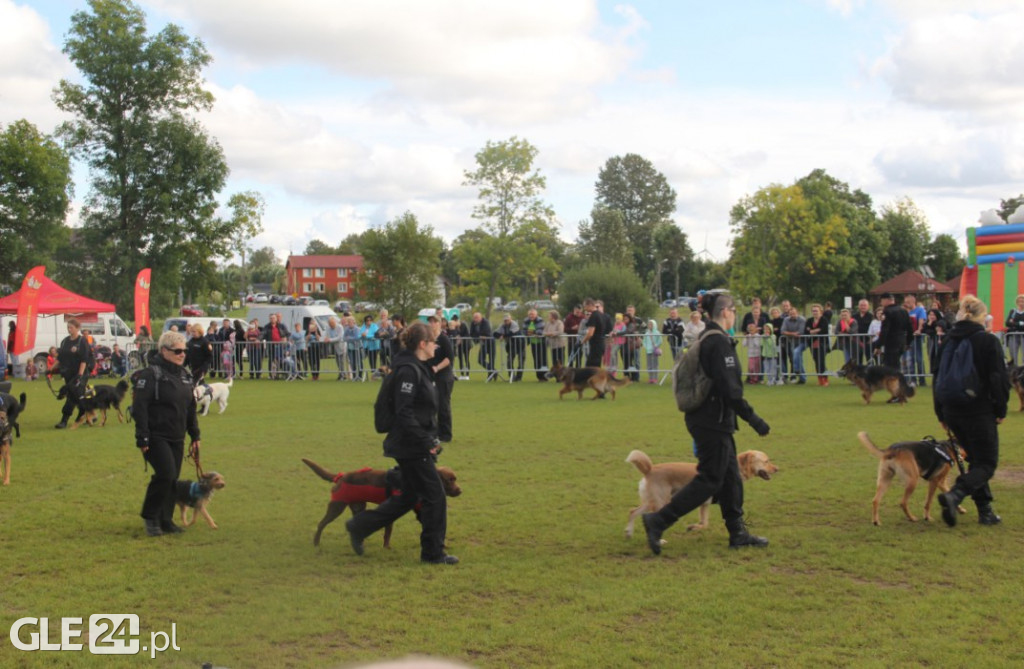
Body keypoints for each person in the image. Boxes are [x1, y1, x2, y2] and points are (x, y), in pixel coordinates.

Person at [641, 292, 771, 555]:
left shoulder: (708, 338)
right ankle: (658, 521)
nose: (735, 314)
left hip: (710, 419)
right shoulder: (718, 343)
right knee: (710, 480)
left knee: (731, 478)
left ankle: (738, 533)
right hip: (712, 421)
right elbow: (730, 390)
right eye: (733, 310)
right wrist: (754, 419)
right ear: (725, 312)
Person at [346, 321, 458, 565]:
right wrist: (426, 440)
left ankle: (358, 526)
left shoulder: (417, 367)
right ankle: (432, 553)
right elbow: (404, 412)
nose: (436, 346)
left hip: (412, 443)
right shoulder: (408, 370)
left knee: (408, 497)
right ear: (422, 344)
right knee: (435, 496)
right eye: (433, 342)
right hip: (411, 446)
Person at [934, 295, 1009, 527]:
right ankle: (955, 494)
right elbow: (998, 378)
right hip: (979, 409)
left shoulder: (947, 341)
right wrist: (1000, 408)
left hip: (952, 409)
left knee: (976, 460)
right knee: (987, 463)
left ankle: (985, 512)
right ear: (981, 316)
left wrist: (941, 413)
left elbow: (937, 377)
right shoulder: (987, 341)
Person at [132, 330, 200, 537]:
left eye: (184, 351)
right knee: (165, 474)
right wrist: (142, 436)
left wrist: (195, 436)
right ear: (164, 350)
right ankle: (150, 517)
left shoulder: (184, 376)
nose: (182, 354)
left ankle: (166, 519)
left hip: (177, 435)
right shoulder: (150, 375)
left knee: (173, 478)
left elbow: (190, 408)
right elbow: (140, 407)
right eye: (177, 351)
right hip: (155, 435)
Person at [49, 318, 95, 429]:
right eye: (68, 327)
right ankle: (91, 413)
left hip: (81, 372)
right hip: (68, 373)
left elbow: (84, 359)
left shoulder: (82, 341)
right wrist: (50, 369)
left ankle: (64, 420)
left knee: (72, 394)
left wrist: (80, 375)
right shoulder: (65, 341)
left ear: (77, 328)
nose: (69, 329)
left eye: (71, 327)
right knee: (84, 393)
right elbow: (60, 358)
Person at [427, 316, 455, 443]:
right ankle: (435, 432)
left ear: (440, 324)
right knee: (432, 405)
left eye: (434, 322)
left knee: (443, 405)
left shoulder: (443, 339)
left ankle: (446, 434)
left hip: (444, 376)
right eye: (430, 322)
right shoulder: (428, 339)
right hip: (431, 376)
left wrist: (437, 368)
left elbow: (449, 358)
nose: (432, 324)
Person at [874, 292, 911, 370]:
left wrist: (878, 345)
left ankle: (894, 381)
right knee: (897, 364)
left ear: (886, 300)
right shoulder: (903, 310)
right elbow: (910, 327)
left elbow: (884, 330)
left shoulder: (887, 311)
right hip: (902, 342)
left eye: (881, 301)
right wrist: (908, 342)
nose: (881, 303)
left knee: (890, 366)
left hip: (892, 342)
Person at [805, 304, 830, 386]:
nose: (814, 312)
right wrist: (816, 330)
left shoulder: (824, 320)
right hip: (812, 344)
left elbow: (824, 330)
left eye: (816, 311)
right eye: (813, 311)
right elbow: (806, 331)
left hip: (822, 343)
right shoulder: (809, 320)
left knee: (821, 361)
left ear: (821, 311)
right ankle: (819, 379)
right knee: (816, 361)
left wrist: (812, 331)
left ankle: (825, 379)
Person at [781, 305, 807, 384]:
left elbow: (801, 332)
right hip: (792, 342)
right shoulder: (786, 320)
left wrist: (788, 334)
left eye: (794, 313)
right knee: (798, 358)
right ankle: (802, 378)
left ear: (797, 313)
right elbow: (782, 331)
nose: (792, 315)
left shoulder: (802, 320)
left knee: (796, 353)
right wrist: (793, 334)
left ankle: (796, 370)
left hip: (802, 342)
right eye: (791, 314)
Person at [581, 298, 610, 368]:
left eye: (585, 306)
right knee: (595, 365)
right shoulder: (601, 315)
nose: (584, 309)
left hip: (596, 345)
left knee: (590, 367)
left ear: (590, 305)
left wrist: (582, 342)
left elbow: (590, 333)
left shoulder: (593, 316)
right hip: (601, 343)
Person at [495, 314, 523, 381]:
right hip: (511, 345)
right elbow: (495, 333)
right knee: (509, 360)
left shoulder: (514, 324)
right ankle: (512, 376)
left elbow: (512, 333)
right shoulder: (502, 325)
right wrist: (500, 336)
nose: (506, 321)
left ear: (510, 319)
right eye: (505, 320)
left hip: (520, 344)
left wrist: (503, 336)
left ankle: (518, 378)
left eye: (507, 320)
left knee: (521, 361)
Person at [522, 308, 547, 380]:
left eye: (532, 314)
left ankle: (544, 376)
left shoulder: (540, 320)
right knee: (536, 359)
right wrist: (528, 332)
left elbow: (541, 329)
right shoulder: (526, 321)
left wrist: (533, 332)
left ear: (536, 315)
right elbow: (524, 330)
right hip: (533, 343)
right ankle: (539, 376)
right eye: (530, 314)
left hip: (541, 343)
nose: (531, 316)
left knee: (543, 360)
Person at [448, 314, 471, 380]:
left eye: (455, 320)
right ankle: (462, 374)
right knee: (460, 359)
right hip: (459, 345)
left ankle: (467, 374)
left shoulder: (463, 325)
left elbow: (467, 335)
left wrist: (461, 338)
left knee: (466, 359)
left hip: (466, 345)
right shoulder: (455, 327)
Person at [852, 299, 875, 365]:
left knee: (869, 359)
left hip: (868, 341)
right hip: (857, 341)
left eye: (864, 305)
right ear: (858, 306)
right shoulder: (854, 316)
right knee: (857, 360)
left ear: (868, 306)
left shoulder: (871, 316)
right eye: (861, 305)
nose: (863, 307)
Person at [323, 316, 346, 380]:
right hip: (335, 347)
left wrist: (329, 340)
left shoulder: (340, 327)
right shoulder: (328, 327)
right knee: (337, 361)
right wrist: (325, 339)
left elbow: (339, 337)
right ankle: (341, 374)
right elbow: (326, 334)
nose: (331, 325)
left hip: (342, 346)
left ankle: (343, 375)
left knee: (341, 361)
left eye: (332, 324)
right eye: (330, 324)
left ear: (335, 322)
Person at [1004, 294, 1024, 366]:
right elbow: (1007, 323)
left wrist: (1014, 323)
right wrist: (1020, 323)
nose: (1021, 302)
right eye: (1020, 301)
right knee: (1013, 355)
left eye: (1023, 301)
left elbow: (1011, 323)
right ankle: (1014, 372)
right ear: (1017, 302)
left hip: (1023, 336)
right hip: (1013, 335)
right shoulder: (1013, 311)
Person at [642, 318, 663, 384]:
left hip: (654, 351)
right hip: (648, 351)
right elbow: (644, 341)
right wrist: (646, 347)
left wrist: (655, 346)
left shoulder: (657, 332)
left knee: (655, 365)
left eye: (651, 324)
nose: (650, 325)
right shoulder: (647, 333)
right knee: (649, 365)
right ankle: (650, 378)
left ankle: (655, 378)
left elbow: (660, 341)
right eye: (649, 324)